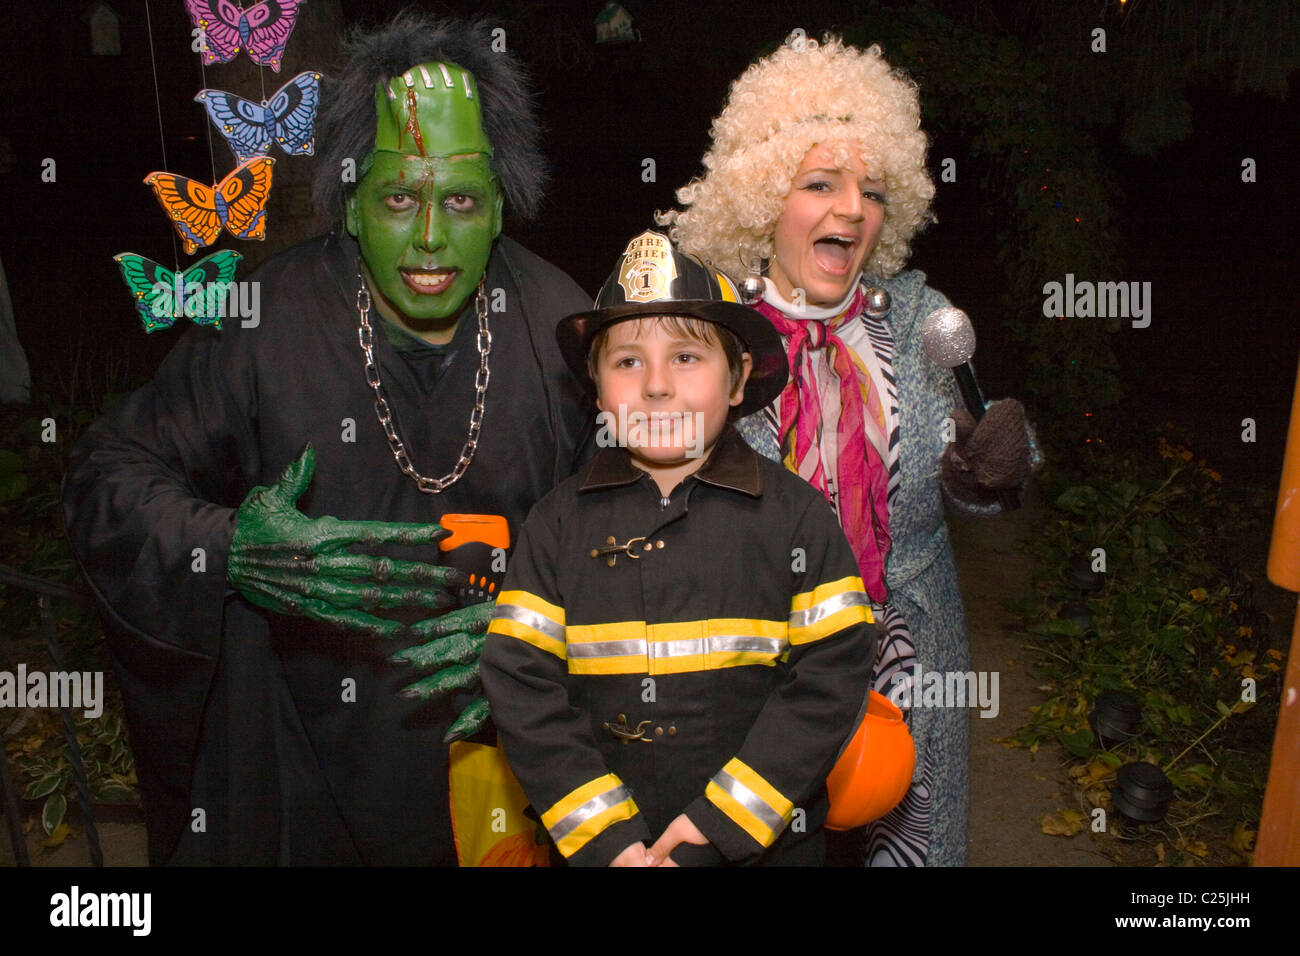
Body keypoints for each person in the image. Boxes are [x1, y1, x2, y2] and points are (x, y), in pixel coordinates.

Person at [61, 12, 592, 865]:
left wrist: (549, 622)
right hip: (298, 772)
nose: (428, 237)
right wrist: (227, 546)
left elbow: (649, 538)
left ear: (501, 206)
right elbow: (108, 475)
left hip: (516, 768)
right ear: (348, 204)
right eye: (395, 198)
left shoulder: (563, 330)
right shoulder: (267, 320)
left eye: (459, 199)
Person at [658, 34, 1037, 866]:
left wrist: (995, 465)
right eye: (820, 184)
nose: (852, 209)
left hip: (908, 660)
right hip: (754, 670)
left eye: (871, 189)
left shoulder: (914, 317)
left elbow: (970, 474)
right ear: (762, 199)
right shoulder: (707, 326)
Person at [479, 231, 877, 866]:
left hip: (763, 848)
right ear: (595, 381)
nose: (657, 385)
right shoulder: (554, 525)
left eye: (687, 358)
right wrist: (607, 839)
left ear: (740, 378)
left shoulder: (797, 518)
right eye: (628, 361)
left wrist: (719, 825)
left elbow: (833, 674)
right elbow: (520, 682)